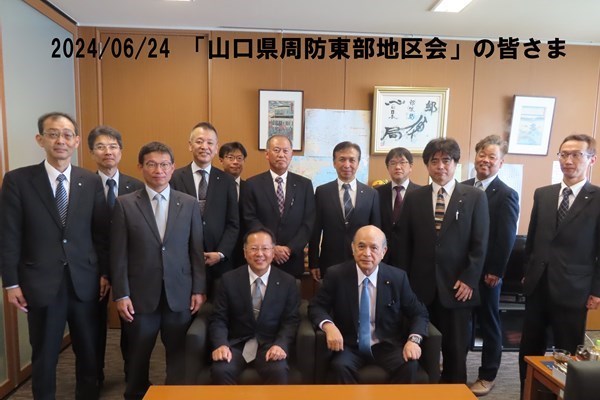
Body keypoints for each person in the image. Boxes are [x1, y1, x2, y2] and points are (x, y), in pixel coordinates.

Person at [1, 112, 108, 400]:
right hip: (41, 283)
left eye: (67, 134)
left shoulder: (90, 180)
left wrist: (104, 273)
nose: (60, 140)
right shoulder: (18, 181)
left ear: (76, 141)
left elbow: (100, 234)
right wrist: (11, 283)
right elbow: (9, 236)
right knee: (45, 355)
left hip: (85, 282)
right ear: (40, 139)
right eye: (53, 134)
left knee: (89, 352)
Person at [110, 142, 206, 400]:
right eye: (151, 164)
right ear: (141, 167)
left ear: (173, 168)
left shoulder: (188, 203)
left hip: (179, 294)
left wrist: (199, 289)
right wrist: (121, 294)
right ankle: (136, 394)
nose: (158, 170)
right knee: (138, 355)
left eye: (164, 164)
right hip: (139, 297)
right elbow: (118, 255)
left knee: (178, 356)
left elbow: (196, 250)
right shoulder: (125, 204)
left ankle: (173, 395)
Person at [396, 138, 489, 384]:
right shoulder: (414, 198)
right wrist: (404, 285)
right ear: (427, 165)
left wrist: (469, 279)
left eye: (446, 161)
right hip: (420, 287)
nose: (440, 167)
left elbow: (480, 244)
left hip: (458, 287)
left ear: (455, 163)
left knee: (455, 350)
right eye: (434, 161)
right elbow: (405, 245)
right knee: (419, 348)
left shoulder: (475, 197)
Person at [518, 134, 600, 395]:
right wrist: (527, 273)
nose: (568, 160)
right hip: (537, 285)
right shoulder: (544, 194)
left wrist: (597, 290)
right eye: (564, 154)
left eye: (576, 155)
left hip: (574, 289)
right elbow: (532, 239)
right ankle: (527, 394)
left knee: (568, 353)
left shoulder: (597, 198)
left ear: (591, 160)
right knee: (529, 349)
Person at [308, 225, 429, 383]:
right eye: (361, 246)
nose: (366, 253)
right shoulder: (336, 275)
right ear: (353, 248)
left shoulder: (397, 278)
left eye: (374, 248)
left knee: (409, 365)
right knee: (340, 366)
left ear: (383, 252)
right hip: (350, 344)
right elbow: (316, 306)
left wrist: (413, 340)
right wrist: (329, 326)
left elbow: (419, 313)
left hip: (386, 344)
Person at [462, 135, 519, 396]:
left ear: (501, 163)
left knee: (488, 322)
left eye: (492, 157)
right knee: (461, 322)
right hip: (463, 270)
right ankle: (455, 367)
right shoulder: (462, 187)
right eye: (481, 154)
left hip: (488, 273)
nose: (485, 160)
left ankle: (488, 374)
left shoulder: (506, 194)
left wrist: (496, 270)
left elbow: (506, 237)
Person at [87, 125, 144, 385]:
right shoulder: (84, 186)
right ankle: (94, 377)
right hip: (93, 269)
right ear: (91, 152)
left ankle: (132, 377)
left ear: (121, 151)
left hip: (129, 270)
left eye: (113, 146)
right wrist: (103, 271)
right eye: (101, 147)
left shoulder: (136, 186)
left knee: (130, 325)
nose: (107, 152)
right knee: (93, 327)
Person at [209, 227, 300, 384]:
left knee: (278, 370)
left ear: (273, 252)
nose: (259, 254)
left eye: (265, 248)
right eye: (253, 249)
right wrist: (221, 344)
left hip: (270, 345)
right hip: (236, 344)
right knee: (221, 370)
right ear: (245, 253)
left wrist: (281, 345)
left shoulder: (288, 282)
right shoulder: (228, 280)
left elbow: (291, 321)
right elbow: (218, 318)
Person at [170, 122, 239, 296]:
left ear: (216, 148)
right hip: (184, 260)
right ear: (190, 145)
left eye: (210, 143)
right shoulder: (174, 178)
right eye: (199, 141)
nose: (204, 146)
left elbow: (233, 223)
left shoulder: (227, 181)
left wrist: (221, 253)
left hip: (220, 263)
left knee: (219, 309)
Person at [242, 135, 315, 279]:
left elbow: (308, 222)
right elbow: (249, 218)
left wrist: (290, 249)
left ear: (291, 154)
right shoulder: (252, 184)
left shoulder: (304, 185)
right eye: (276, 150)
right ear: (267, 154)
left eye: (285, 151)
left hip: (292, 259)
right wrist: (271, 248)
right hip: (261, 258)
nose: (281, 155)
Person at [309, 142, 381, 280]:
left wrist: (375, 261)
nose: (347, 165)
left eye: (352, 160)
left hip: (362, 261)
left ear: (358, 163)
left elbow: (376, 232)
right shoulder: (322, 192)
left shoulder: (371, 194)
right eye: (342, 159)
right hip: (329, 262)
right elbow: (315, 231)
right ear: (334, 162)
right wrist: (314, 262)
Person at [375, 147, 420, 265]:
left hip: (410, 256)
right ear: (388, 167)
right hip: (382, 256)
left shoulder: (421, 194)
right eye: (393, 163)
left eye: (402, 162)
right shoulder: (377, 193)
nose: (398, 167)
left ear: (411, 166)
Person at [219, 141, 248, 268]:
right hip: (220, 248)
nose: (235, 162)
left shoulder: (250, 187)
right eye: (230, 157)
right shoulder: (213, 188)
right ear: (221, 160)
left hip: (244, 250)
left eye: (239, 158)